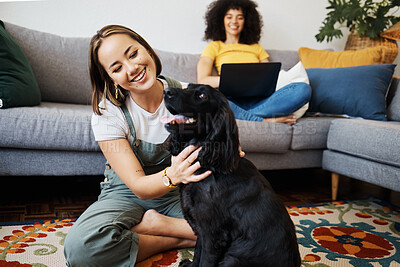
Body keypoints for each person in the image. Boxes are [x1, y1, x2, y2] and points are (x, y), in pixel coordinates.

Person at [63, 24, 213, 266]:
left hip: (179, 195)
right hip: (126, 193)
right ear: (110, 78)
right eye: (117, 68)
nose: (132, 68)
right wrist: (173, 174)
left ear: (147, 49)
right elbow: (139, 187)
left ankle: (160, 226)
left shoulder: (184, 93)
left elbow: (213, 133)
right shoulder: (108, 113)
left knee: (248, 228)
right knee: (81, 250)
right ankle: (178, 239)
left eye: (133, 54)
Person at [197, 0, 311, 125]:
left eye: (239, 17)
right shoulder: (214, 46)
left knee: (303, 89)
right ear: (220, 20)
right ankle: (265, 120)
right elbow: (202, 80)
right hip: (232, 101)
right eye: (229, 17)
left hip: (260, 101)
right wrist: (232, 80)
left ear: (246, 21)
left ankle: (244, 116)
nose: (234, 22)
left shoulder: (256, 47)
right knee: (211, 99)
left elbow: (270, 77)